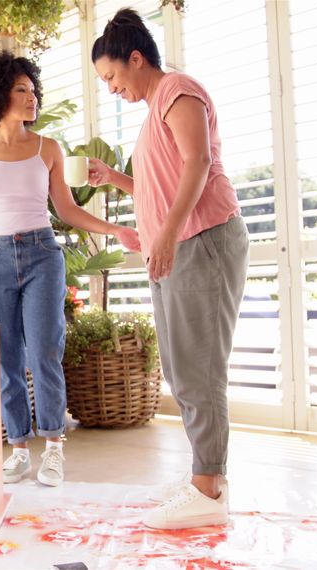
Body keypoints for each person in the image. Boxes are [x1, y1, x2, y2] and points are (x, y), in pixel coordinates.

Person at [0, 51, 139, 487]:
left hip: (41, 255)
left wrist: (115, 230)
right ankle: (17, 449)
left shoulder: (48, 148)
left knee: (45, 352)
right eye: (21, 90)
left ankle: (52, 449)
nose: (31, 98)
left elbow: (66, 210)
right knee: (5, 356)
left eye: (33, 90)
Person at [87, 8, 250, 529]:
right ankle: (205, 476)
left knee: (199, 369)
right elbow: (163, 184)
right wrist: (116, 179)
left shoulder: (178, 90)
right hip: (178, 245)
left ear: (136, 59)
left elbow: (199, 163)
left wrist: (166, 233)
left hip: (202, 241)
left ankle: (209, 488)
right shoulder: (155, 107)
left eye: (112, 76)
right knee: (181, 369)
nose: (111, 88)